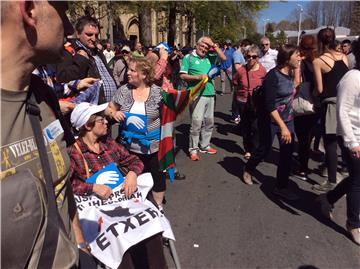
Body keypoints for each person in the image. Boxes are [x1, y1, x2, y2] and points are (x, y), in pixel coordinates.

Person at [1, 1, 93, 268]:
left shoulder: (42, 95)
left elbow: (61, 187)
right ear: (30, 10)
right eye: (62, 10)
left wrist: (81, 248)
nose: (67, 26)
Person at [68, 102, 168, 267]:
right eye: (101, 120)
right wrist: (92, 187)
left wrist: (132, 174)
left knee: (153, 228)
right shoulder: (73, 151)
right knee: (118, 238)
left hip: (122, 201)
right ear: (87, 125)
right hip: (98, 211)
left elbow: (134, 160)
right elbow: (68, 185)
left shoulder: (108, 143)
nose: (107, 122)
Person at [242, 45, 301, 201]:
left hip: (288, 120)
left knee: (287, 155)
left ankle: (280, 187)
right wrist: (282, 128)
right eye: (297, 55)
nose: (300, 57)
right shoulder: (272, 77)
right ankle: (248, 168)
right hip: (271, 121)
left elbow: (295, 86)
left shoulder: (290, 73)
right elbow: (269, 106)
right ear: (287, 59)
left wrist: (298, 68)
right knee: (264, 150)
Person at [317, 38, 360, 245]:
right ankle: (353, 224)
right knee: (358, 180)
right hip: (352, 137)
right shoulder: (352, 77)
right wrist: (352, 142)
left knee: (355, 178)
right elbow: (342, 111)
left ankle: (328, 198)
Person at [108, 57, 167, 210]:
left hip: (152, 146)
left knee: (157, 175)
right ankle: (134, 206)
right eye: (129, 69)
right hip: (127, 146)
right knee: (131, 176)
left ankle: (158, 206)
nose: (128, 73)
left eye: (133, 70)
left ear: (144, 75)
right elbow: (109, 108)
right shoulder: (123, 90)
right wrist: (114, 114)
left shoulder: (158, 92)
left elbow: (168, 119)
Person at [312, 27, 349, 192]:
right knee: (345, 140)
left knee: (331, 143)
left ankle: (332, 180)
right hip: (346, 102)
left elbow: (320, 89)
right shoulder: (344, 57)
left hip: (331, 104)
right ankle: (346, 170)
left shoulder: (318, 61)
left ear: (319, 41)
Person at [179, 36, 226, 161]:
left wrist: (213, 45)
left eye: (206, 47)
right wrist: (198, 77)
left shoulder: (209, 58)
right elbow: (183, 76)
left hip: (210, 94)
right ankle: (193, 149)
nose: (204, 49)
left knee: (209, 122)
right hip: (196, 95)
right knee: (196, 123)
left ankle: (205, 145)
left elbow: (224, 58)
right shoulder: (188, 58)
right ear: (197, 45)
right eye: (202, 46)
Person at [56, 16, 117, 103]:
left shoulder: (98, 52)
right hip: (88, 110)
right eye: (89, 34)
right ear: (78, 34)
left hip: (108, 108)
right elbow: (62, 78)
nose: (94, 38)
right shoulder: (69, 51)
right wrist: (81, 60)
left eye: (96, 35)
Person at [293, 35, 321, 180]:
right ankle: (304, 162)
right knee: (308, 136)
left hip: (303, 103)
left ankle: (302, 168)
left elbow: (297, 81)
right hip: (316, 103)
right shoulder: (318, 60)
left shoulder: (301, 62)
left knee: (302, 137)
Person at [232, 45, 266, 159]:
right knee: (246, 127)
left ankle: (255, 148)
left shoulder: (262, 70)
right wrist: (240, 94)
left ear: (258, 57)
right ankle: (248, 149)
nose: (251, 59)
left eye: (254, 57)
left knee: (256, 127)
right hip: (243, 102)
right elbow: (235, 82)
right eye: (248, 56)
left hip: (257, 103)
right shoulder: (241, 70)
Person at [231, 39, 249, 123]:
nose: (246, 49)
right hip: (237, 79)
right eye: (246, 47)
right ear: (241, 45)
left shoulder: (240, 54)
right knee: (237, 98)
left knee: (237, 97)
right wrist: (246, 63)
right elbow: (237, 67)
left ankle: (236, 115)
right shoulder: (237, 54)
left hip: (239, 79)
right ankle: (235, 116)